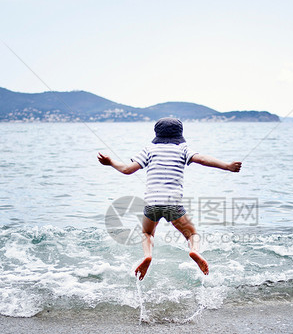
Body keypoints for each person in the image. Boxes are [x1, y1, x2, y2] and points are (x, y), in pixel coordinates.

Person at [97, 117, 242, 280]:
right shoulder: (183, 149)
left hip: (152, 204)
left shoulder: (149, 150)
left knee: (147, 233)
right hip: (173, 204)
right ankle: (194, 251)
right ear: (179, 134)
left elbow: (127, 169)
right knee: (192, 235)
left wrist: (110, 162)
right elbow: (202, 159)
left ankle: (147, 256)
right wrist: (227, 166)